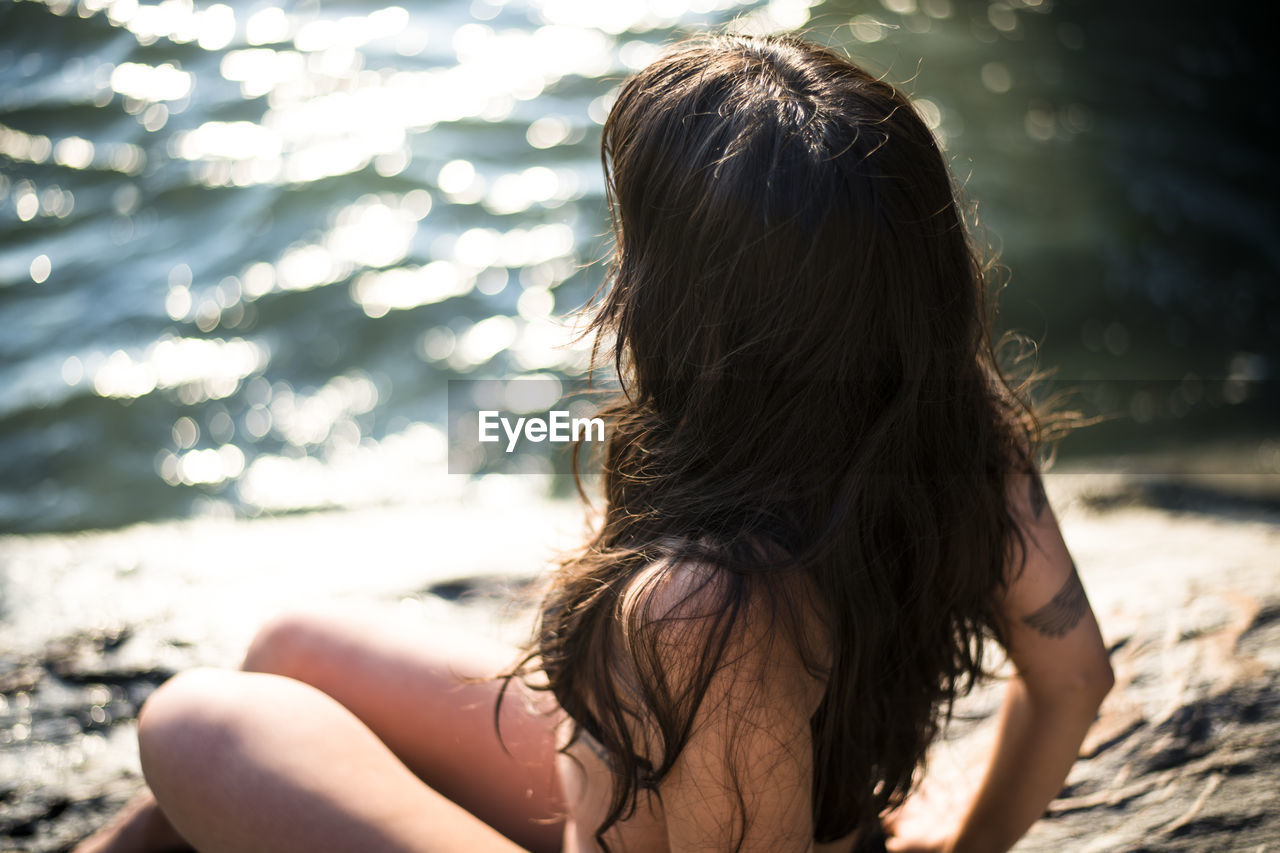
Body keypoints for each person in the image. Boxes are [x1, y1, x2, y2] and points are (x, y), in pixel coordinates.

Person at [76, 33, 1113, 853]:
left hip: (636, 813)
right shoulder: (953, 419)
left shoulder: (708, 609)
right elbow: (1072, 676)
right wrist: (967, 843)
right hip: (647, 786)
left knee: (191, 724)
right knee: (288, 647)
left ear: (698, 305)